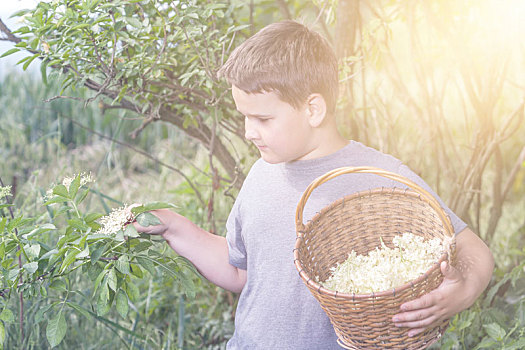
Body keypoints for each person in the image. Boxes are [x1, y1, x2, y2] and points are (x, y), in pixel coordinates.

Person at [133, 20, 494, 349]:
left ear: (314, 110)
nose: (248, 131)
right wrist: (175, 228)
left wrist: (462, 292)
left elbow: (472, 249)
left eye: (262, 118)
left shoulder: (379, 176)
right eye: (243, 117)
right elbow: (241, 271)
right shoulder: (261, 175)